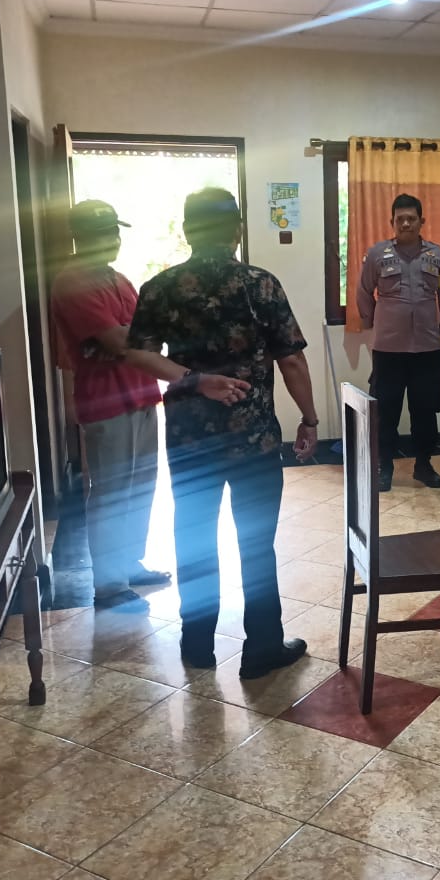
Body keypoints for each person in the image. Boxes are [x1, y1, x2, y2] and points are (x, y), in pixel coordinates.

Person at [126, 188, 320, 675]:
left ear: (187, 230)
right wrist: (310, 418)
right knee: (256, 544)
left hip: (189, 440)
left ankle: (197, 647)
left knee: (193, 540)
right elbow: (292, 360)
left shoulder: (161, 287)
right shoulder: (261, 285)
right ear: (237, 229)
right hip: (255, 440)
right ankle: (262, 650)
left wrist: (193, 380)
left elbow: (139, 354)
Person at [49, 199, 173, 609]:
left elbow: (144, 335)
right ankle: (108, 583)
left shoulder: (118, 279)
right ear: (81, 237)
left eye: (115, 232)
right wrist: (124, 340)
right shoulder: (73, 282)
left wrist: (125, 340)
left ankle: (128, 564)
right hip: (105, 402)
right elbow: (121, 341)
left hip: (142, 393)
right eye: (104, 233)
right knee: (111, 492)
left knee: (141, 487)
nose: (114, 240)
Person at [355, 193, 440, 493]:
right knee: (385, 412)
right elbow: (363, 291)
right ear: (392, 222)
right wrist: (372, 323)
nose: (405, 223)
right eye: (400, 219)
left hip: (427, 349)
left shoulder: (437, 255)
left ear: (421, 221)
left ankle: (423, 465)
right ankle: (384, 467)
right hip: (388, 349)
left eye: (411, 218)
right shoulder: (377, 254)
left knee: (425, 411)